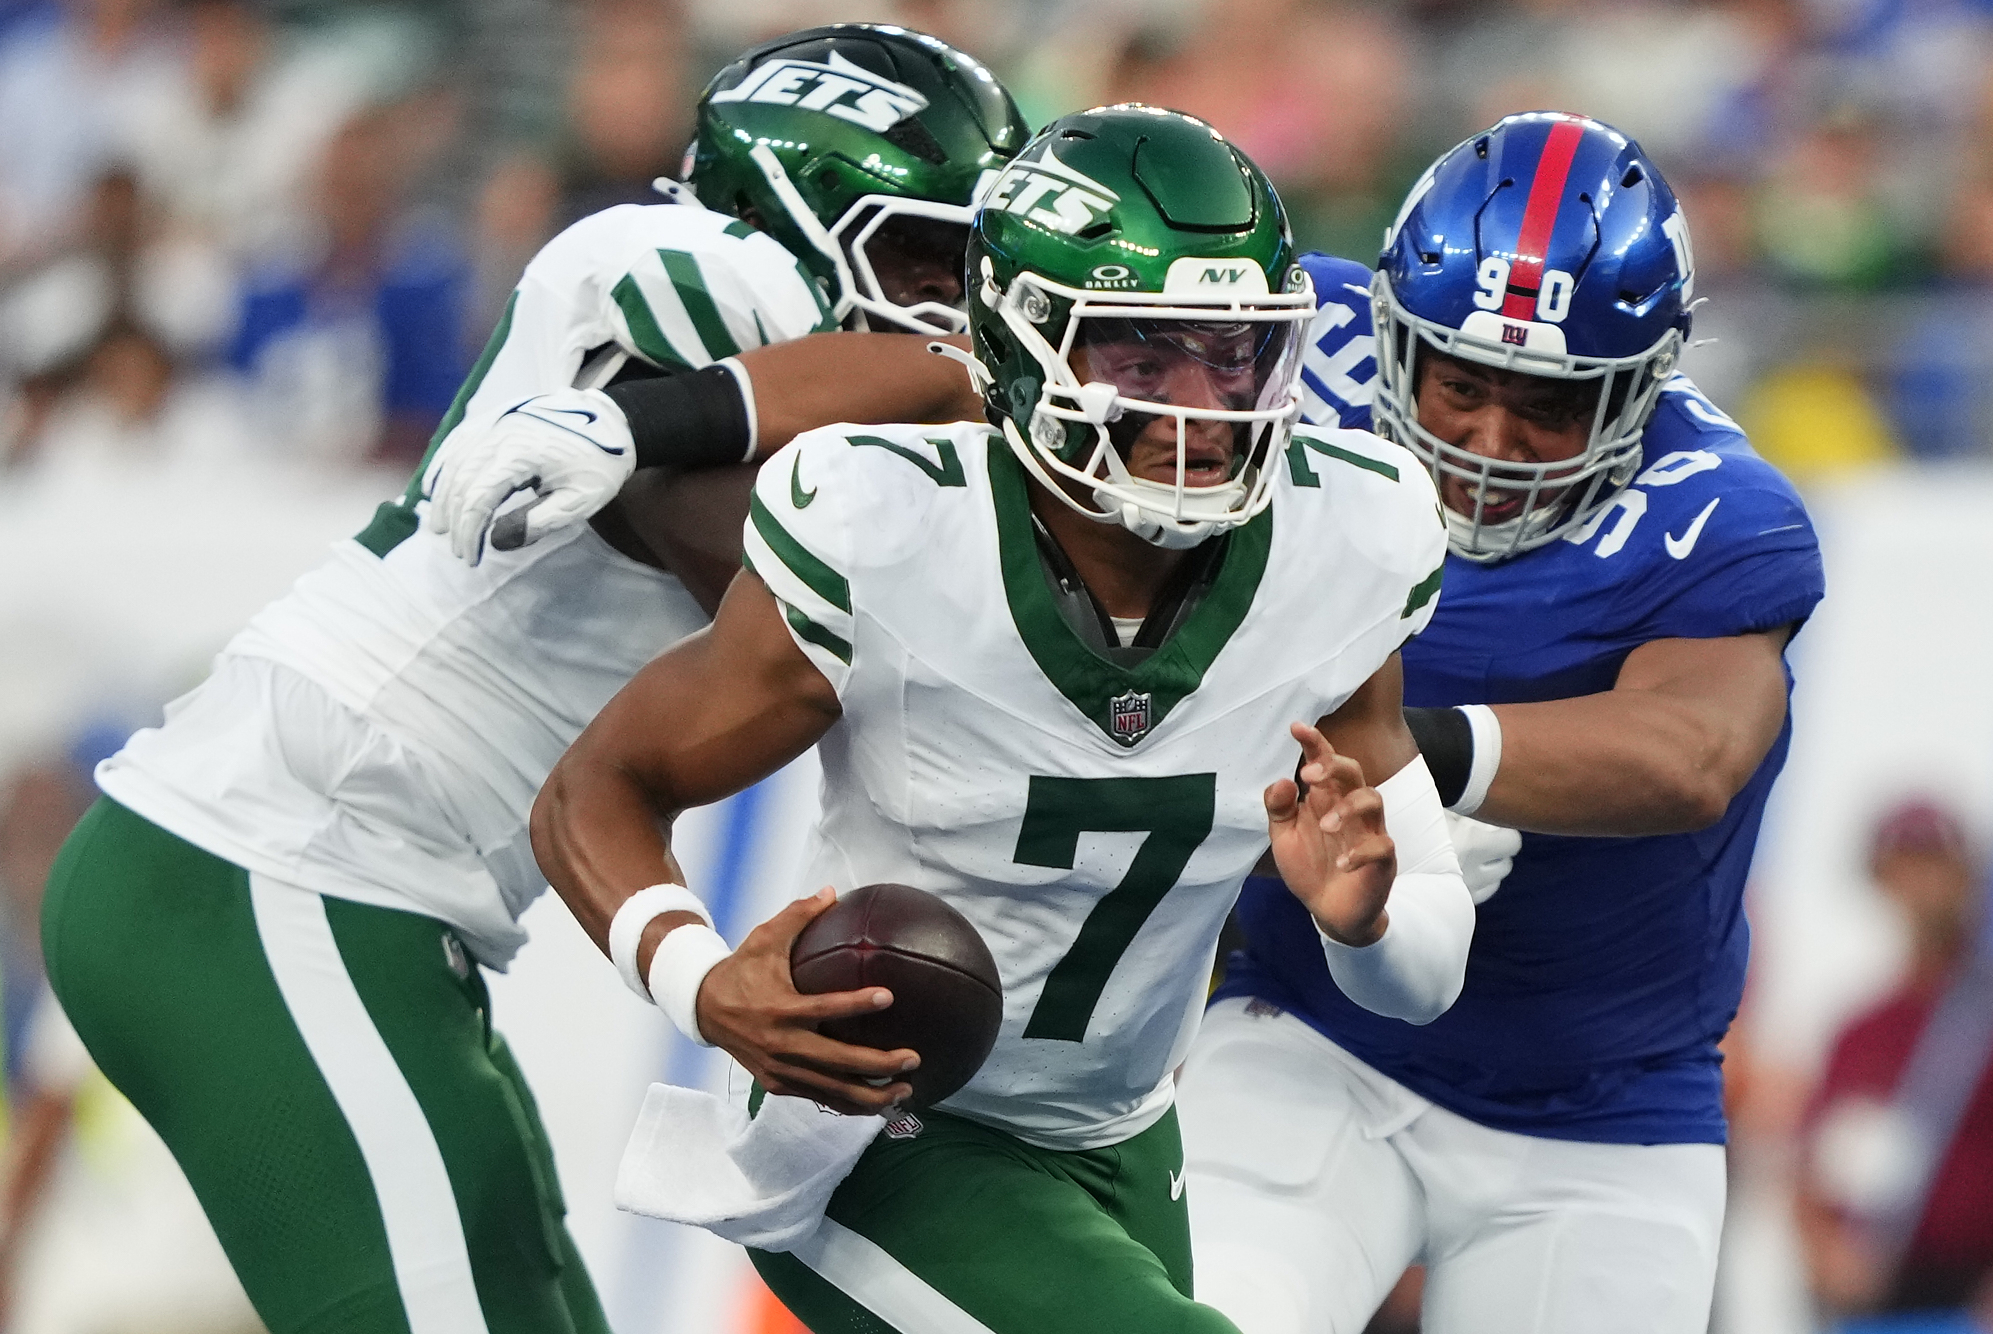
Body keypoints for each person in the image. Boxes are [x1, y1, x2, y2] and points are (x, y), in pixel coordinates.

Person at [40, 25, 1026, 1334]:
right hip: (275, 866)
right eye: (923, 258)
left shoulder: (791, 377)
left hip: (372, 897)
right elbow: (762, 554)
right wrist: (1008, 404)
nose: (953, 303)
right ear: (785, 212)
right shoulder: (663, 261)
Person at [531, 104, 1473, 1334]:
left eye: (1232, 353)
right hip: (880, 1119)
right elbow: (594, 790)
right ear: (1024, 349)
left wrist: (1360, 921)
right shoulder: (889, 524)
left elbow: (1422, 976)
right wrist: (704, 984)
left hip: (1122, 1133)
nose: (1203, 408)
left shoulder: (1348, 539)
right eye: (1143, 357)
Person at [1175, 110, 1827, 1334]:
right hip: (1309, 1033)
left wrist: (1414, 761)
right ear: (1387, 337)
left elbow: (1688, 757)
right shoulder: (1287, 351)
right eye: (1460, 385)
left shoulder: (1716, 513)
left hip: (1598, 1115)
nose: (1486, 440)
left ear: (1636, 391)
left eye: (1545, 404)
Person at [1796, 798, 1993, 1327]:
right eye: (1905, 865)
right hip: (1874, 1295)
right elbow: (1812, 1164)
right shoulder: (1861, 1031)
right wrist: (1825, 1251)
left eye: (1936, 862)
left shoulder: (1985, 1016)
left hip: (1973, 1297)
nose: (1922, 883)